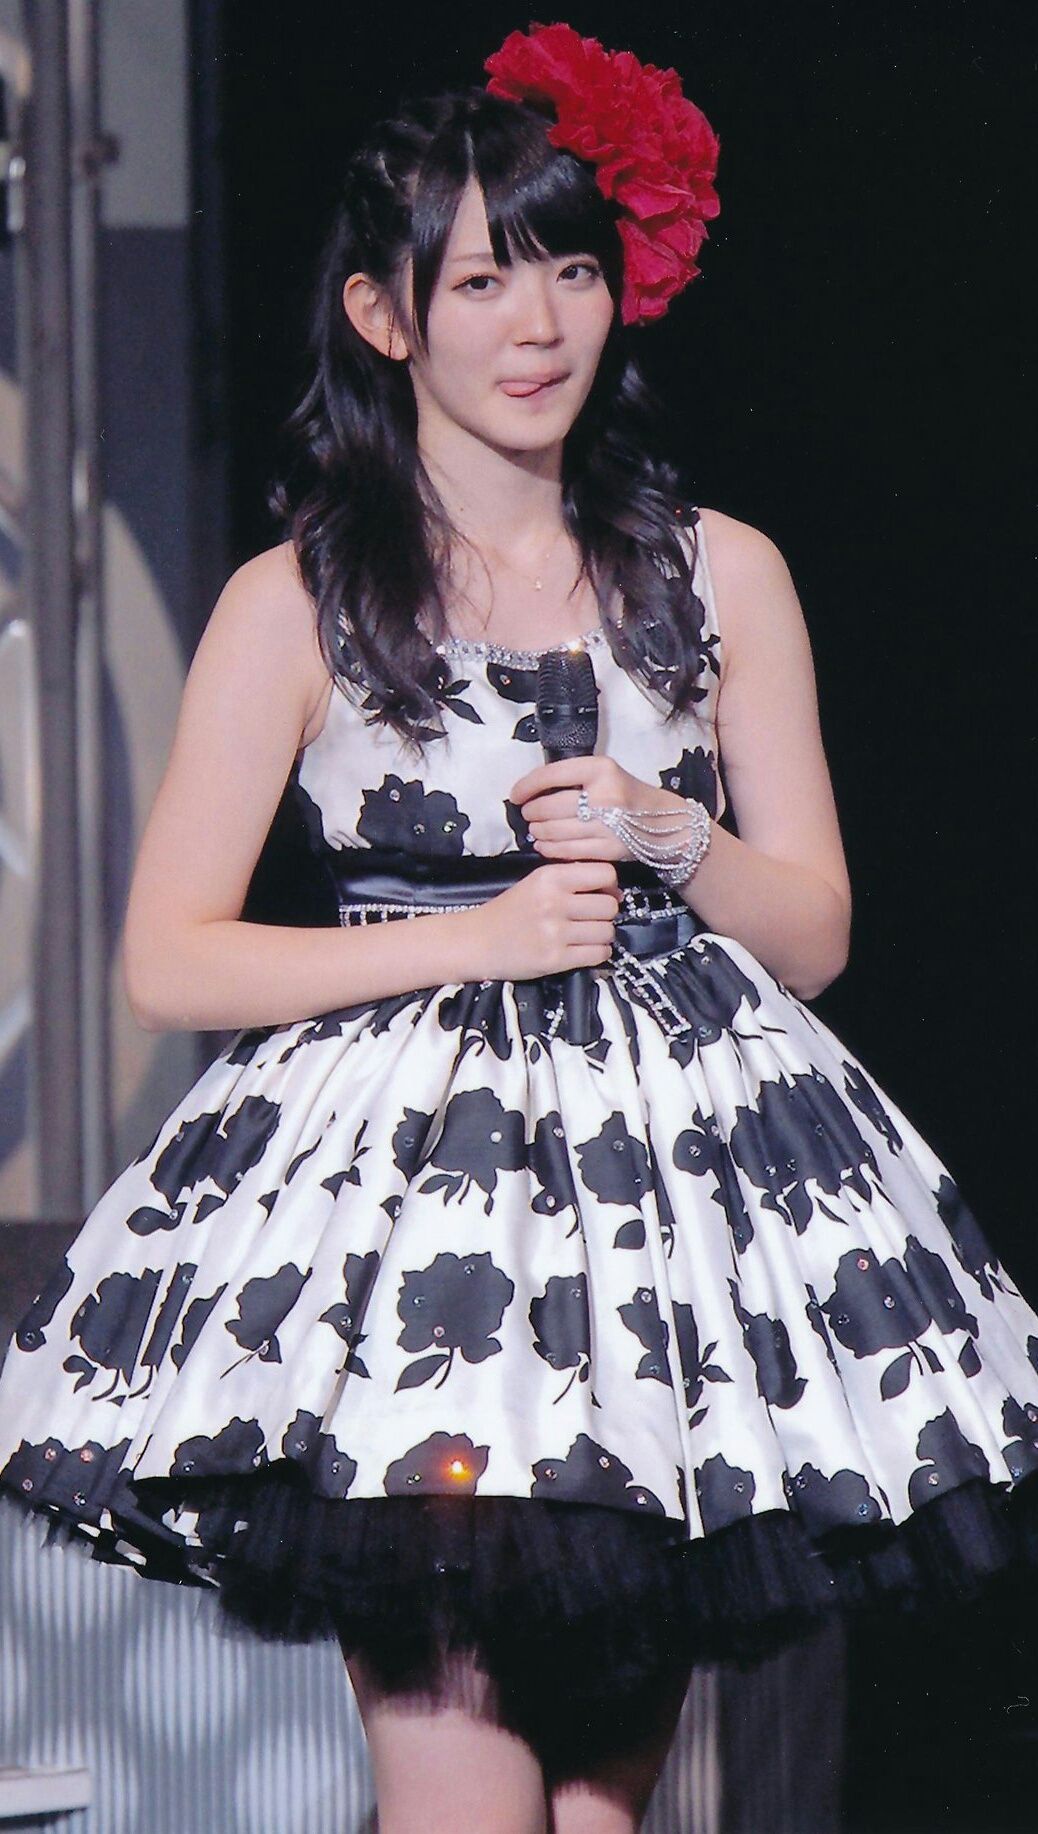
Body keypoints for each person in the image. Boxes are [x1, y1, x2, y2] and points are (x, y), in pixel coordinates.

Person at [2, 20, 1037, 1833]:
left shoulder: (720, 572)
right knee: (462, 1797)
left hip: (665, 1242)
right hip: (414, 1241)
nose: (538, 322)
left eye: (568, 268)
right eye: (482, 278)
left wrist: (666, 829)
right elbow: (169, 958)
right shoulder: (294, 602)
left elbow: (813, 933)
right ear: (383, 314)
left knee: (595, 1813)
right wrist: (470, 937)